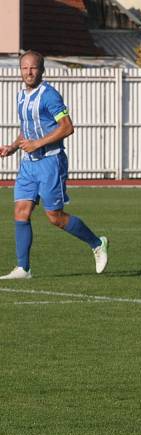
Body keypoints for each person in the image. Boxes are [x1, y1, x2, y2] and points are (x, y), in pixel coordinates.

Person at [0, 50, 108, 279]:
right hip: (29, 164)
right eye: (25, 68)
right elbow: (27, 130)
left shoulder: (49, 96)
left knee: (55, 217)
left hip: (51, 162)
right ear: (20, 70)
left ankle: (97, 243)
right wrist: (13, 146)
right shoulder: (21, 96)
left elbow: (67, 127)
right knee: (21, 211)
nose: (29, 72)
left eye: (33, 68)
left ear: (42, 70)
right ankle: (23, 268)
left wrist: (37, 143)